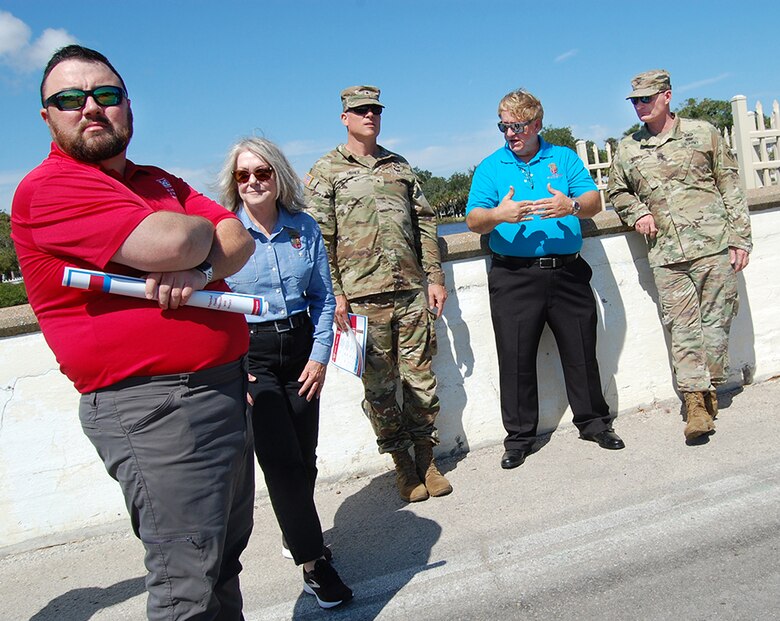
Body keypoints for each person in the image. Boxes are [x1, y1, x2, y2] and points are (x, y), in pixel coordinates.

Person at [11, 45, 256, 620]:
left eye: (106, 94)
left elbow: (239, 241)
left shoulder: (157, 180)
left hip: (219, 390)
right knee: (185, 585)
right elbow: (173, 242)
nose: (91, 107)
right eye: (69, 99)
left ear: (128, 105)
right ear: (48, 117)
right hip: (156, 407)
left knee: (222, 563)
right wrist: (199, 237)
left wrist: (198, 267)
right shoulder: (50, 188)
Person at [217, 137, 352, 609]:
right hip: (251, 358)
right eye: (243, 174)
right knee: (280, 462)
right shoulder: (222, 235)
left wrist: (318, 356)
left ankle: (299, 531)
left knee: (305, 458)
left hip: (300, 350)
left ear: (278, 177)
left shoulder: (303, 228)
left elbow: (323, 298)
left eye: (262, 172)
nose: (252, 181)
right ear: (234, 183)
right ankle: (315, 564)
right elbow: (211, 307)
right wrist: (236, 369)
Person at [303, 85, 452, 503]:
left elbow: (424, 222)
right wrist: (335, 295)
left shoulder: (399, 165)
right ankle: (402, 465)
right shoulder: (326, 171)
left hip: (409, 292)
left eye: (375, 109)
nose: (369, 115)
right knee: (381, 391)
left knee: (421, 382)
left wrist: (434, 277)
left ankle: (427, 459)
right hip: (361, 300)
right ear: (345, 117)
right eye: (360, 110)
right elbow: (319, 240)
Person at [466, 87, 625, 471]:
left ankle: (593, 423)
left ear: (537, 124)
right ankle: (519, 438)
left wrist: (568, 205)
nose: (509, 134)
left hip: (567, 273)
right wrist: (498, 215)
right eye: (504, 126)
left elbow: (593, 203)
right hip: (514, 278)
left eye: (517, 126)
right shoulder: (491, 167)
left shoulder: (564, 158)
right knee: (516, 358)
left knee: (581, 352)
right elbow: (473, 220)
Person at [608, 69, 752, 442]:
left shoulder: (703, 133)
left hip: (713, 245)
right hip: (667, 252)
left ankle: (709, 386)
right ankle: (696, 404)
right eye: (635, 100)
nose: (640, 106)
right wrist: (636, 211)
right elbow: (618, 192)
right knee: (682, 326)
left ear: (667, 96)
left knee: (717, 323)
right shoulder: (628, 148)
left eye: (646, 98)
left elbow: (730, 185)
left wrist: (741, 239)